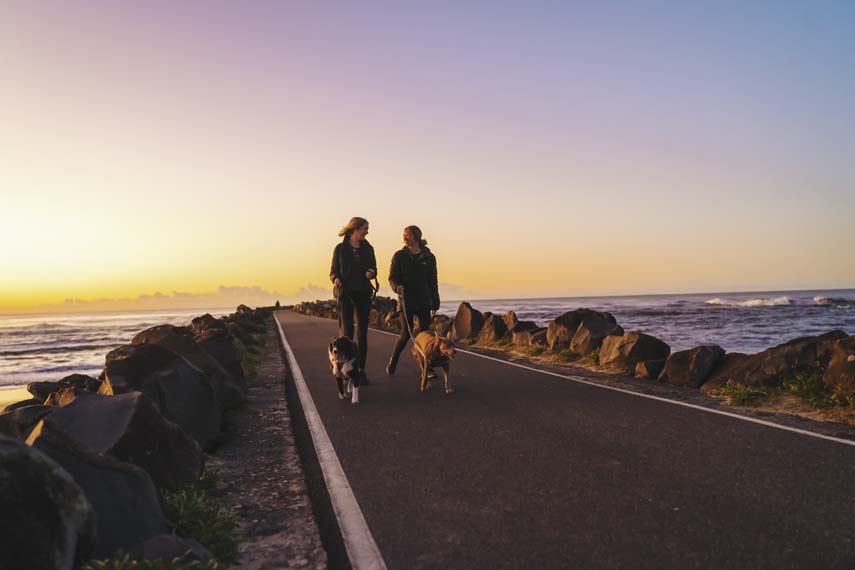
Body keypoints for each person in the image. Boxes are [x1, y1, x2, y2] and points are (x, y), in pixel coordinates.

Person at [386, 225, 440, 376]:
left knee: (424, 336)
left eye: (408, 235)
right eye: (404, 235)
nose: (404, 238)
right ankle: (394, 359)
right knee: (405, 334)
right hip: (406, 300)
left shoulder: (429, 257)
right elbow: (392, 278)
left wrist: (435, 302)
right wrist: (397, 287)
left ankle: (427, 368)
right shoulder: (399, 256)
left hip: (424, 300)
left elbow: (433, 281)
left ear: (416, 237)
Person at [330, 217, 377, 382]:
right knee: (347, 334)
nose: (367, 232)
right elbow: (333, 271)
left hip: (363, 293)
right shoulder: (340, 249)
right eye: (365, 229)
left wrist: (371, 273)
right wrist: (336, 278)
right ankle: (345, 369)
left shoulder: (368, 248)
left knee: (362, 334)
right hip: (345, 294)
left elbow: (374, 268)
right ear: (355, 229)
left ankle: (360, 370)